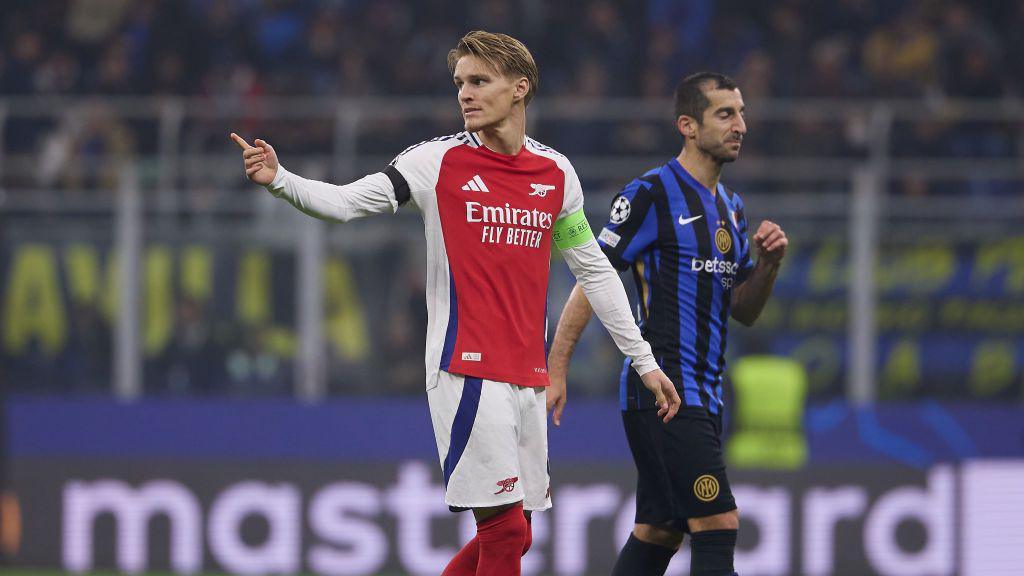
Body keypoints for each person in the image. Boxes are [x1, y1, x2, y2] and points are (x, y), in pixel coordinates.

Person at [231, 30, 681, 576]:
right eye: (460, 83)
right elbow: (347, 204)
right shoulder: (435, 163)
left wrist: (644, 361)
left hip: (527, 373)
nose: (465, 94)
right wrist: (279, 179)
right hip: (464, 367)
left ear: (520, 89)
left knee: (518, 533)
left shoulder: (556, 175)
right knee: (504, 529)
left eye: (479, 81)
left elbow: (593, 269)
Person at [547, 72, 788, 576]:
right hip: (665, 393)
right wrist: (558, 364)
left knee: (660, 530)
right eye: (725, 114)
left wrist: (767, 265)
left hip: (707, 393)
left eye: (741, 113)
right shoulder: (651, 194)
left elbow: (742, 309)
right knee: (718, 522)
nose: (740, 125)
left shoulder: (733, 210)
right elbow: (593, 276)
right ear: (689, 126)